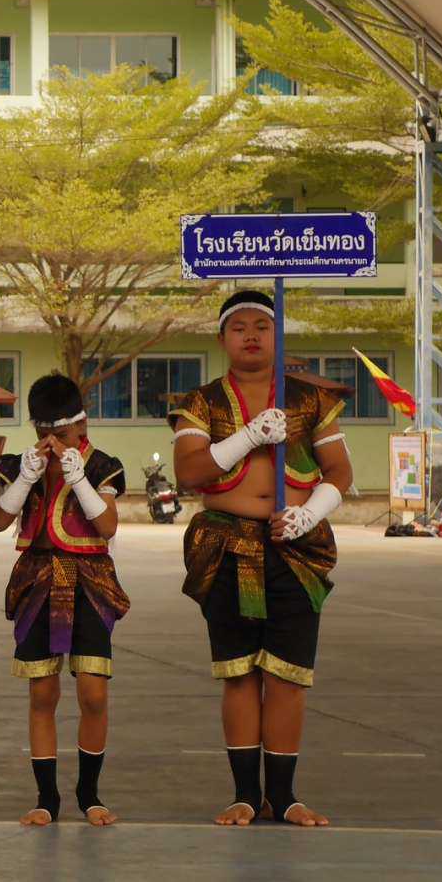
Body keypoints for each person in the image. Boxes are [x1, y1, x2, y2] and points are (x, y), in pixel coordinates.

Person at [170, 290, 353, 828]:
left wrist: (309, 514)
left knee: (289, 676)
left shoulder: (310, 400)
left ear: (278, 335)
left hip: (296, 548)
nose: (250, 335)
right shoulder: (201, 402)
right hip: (225, 548)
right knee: (240, 674)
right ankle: (247, 795)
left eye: (262, 326)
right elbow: (189, 473)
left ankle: (286, 796)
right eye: (239, 327)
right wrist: (248, 437)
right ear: (222, 338)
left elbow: (340, 470)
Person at [0, 373, 128, 828]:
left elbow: (107, 526)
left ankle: (90, 793)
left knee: (94, 692)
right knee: (42, 691)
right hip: (38, 579)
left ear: (82, 425)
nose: (53, 443)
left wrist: (78, 477)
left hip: (90, 581)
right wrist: (26, 477)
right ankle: (46, 797)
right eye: (44, 433)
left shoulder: (102, 464)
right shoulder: (22, 464)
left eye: (63, 434)